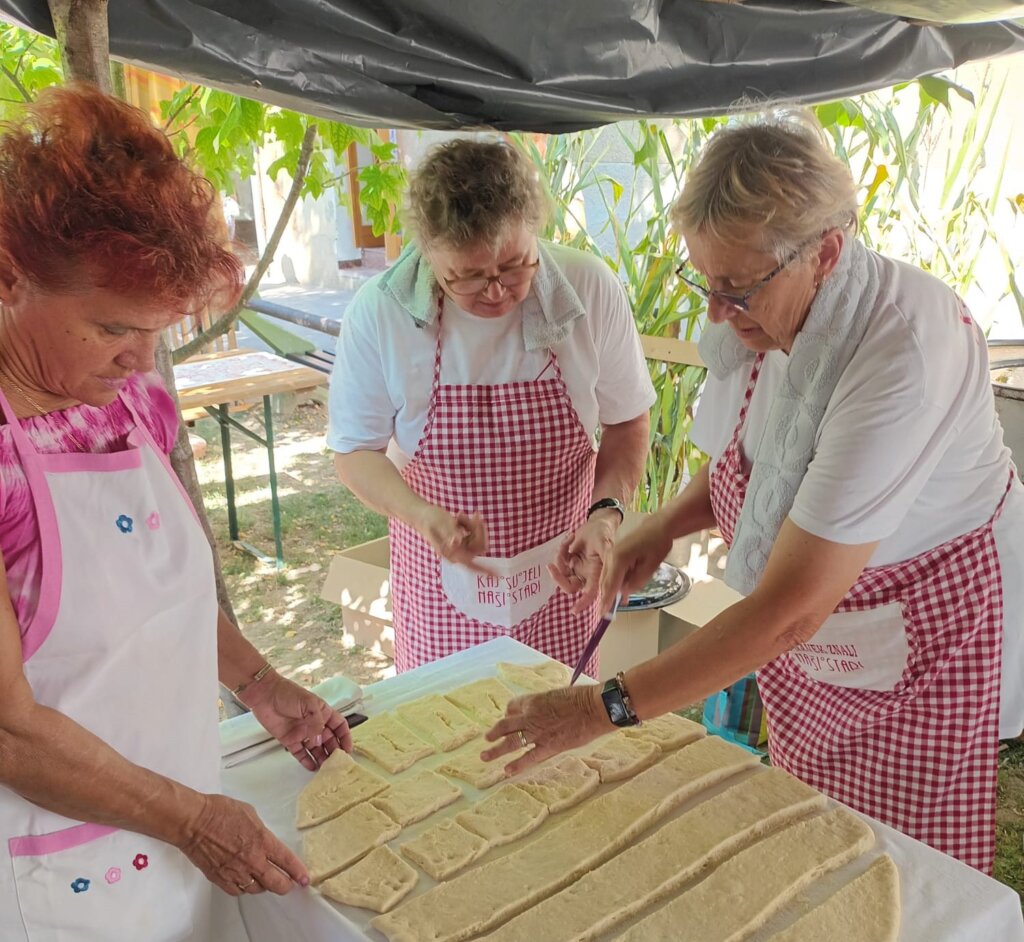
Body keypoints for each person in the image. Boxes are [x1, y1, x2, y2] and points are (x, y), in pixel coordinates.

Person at [484, 114, 1024, 876]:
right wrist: (656, 529)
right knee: (814, 834)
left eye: (735, 288)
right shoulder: (769, 319)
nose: (713, 311)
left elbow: (789, 612)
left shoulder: (901, 351)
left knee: (902, 873)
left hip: (924, 635)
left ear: (826, 253)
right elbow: (751, 465)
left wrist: (598, 710)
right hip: (820, 626)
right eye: (704, 280)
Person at [0, 84, 350, 942]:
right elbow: (9, 730)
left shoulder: (131, 401)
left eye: (160, 330)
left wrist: (260, 684)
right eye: (114, 326)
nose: (144, 359)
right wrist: (190, 820)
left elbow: (165, 591)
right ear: (8, 275)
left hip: (185, 826)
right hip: (57, 876)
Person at [330, 139, 655, 675]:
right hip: (440, 593)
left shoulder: (589, 288)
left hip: (561, 585)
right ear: (428, 255)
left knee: (563, 741)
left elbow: (627, 421)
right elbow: (354, 452)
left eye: (514, 264)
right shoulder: (380, 312)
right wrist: (422, 515)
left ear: (535, 228)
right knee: (445, 737)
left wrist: (605, 513)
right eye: (469, 277)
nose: (498, 291)